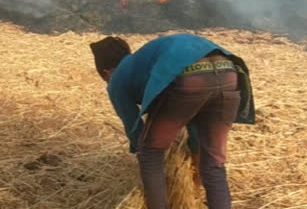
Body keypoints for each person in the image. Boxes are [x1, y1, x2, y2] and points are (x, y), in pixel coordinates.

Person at [90, 33, 255, 209]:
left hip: (189, 76)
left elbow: (135, 130)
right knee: (214, 163)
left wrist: (147, 151)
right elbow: (192, 114)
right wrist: (194, 147)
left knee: (150, 153)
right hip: (228, 70)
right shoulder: (145, 62)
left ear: (106, 72)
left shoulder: (116, 78)